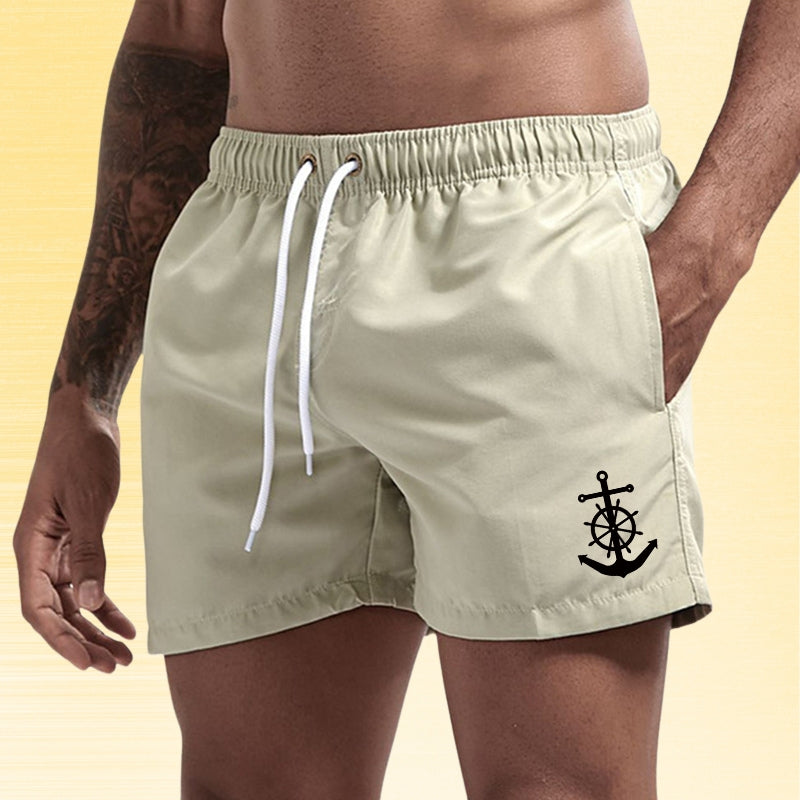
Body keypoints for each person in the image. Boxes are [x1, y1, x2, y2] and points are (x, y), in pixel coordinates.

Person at [11, 0, 798, 797]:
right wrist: (84, 395)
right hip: (253, 255)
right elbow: (179, 24)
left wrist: (712, 246)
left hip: (527, 237)